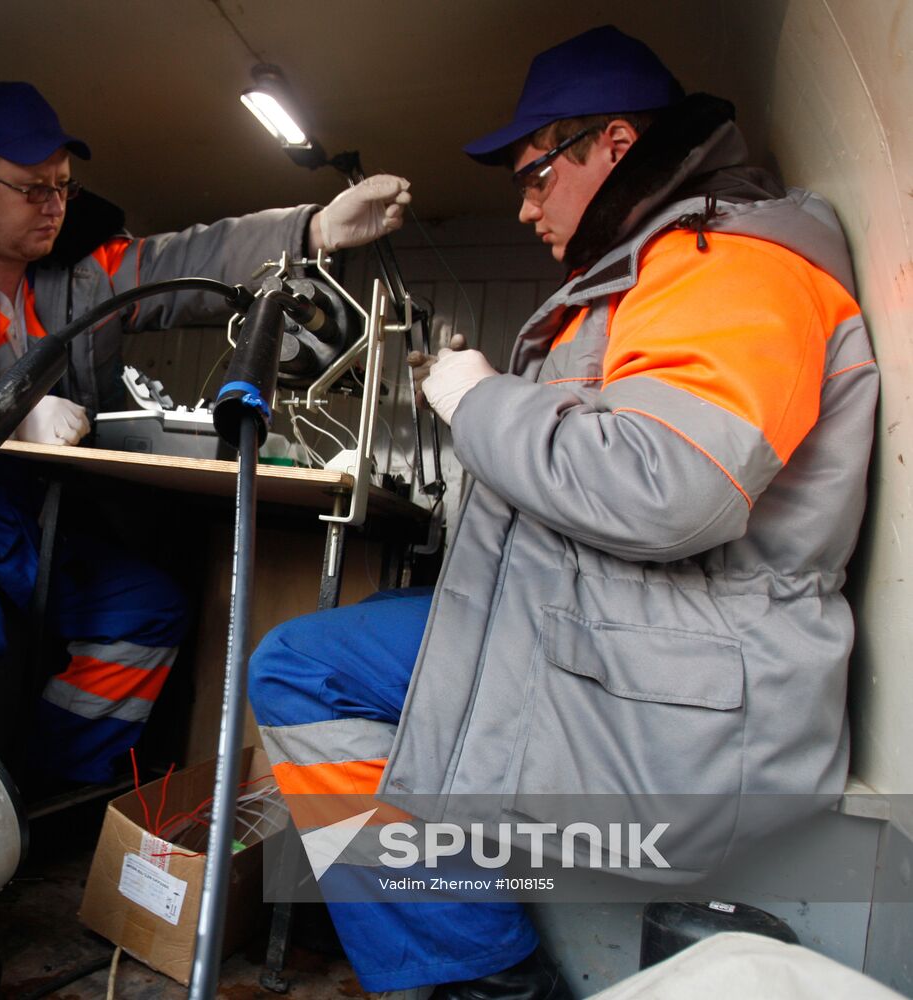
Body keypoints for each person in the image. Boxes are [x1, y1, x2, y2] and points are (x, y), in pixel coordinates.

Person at [248, 25, 876, 1000]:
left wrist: (480, 402)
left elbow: (671, 490)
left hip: (680, 677)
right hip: (622, 632)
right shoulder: (649, 270)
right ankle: (452, 939)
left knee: (302, 669)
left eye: (536, 173)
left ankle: (479, 975)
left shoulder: (725, 260)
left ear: (613, 145)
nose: (526, 203)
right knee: (334, 647)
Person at [0, 81, 411, 779]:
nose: (54, 206)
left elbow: (180, 262)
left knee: (146, 613)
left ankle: (50, 793)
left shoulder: (80, 274)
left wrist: (310, 231)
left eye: (63, 186)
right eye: (32, 188)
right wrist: (9, 410)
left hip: (17, 516)